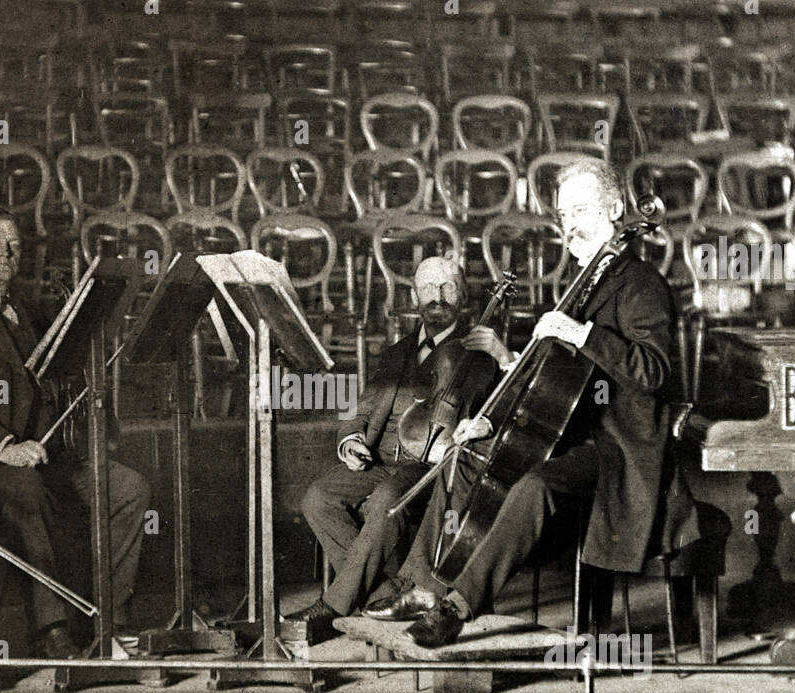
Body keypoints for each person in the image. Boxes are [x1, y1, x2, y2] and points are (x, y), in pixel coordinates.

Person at [376, 158, 701, 648]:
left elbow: (653, 371)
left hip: (620, 447)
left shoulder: (641, 284)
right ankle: (425, 585)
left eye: (582, 210)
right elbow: (547, 381)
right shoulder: (576, 286)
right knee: (464, 457)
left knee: (533, 488)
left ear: (615, 211)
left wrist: (582, 332)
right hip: (570, 431)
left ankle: (458, 606)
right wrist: (491, 423)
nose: (569, 225)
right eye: (564, 214)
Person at [0, 214, 150, 658]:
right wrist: (5, 447)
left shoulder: (26, 310)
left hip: (46, 453)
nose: (8, 254)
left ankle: (111, 617)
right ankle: (53, 631)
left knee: (128, 489)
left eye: (16, 246)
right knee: (26, 494)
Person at [288, 254, 505, 640]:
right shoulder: (396, 352)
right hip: (380, 458)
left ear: (464, 294)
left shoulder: (480, 354)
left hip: (428, 465)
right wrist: (352, 440)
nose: (436, 295)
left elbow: (503, 412)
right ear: (414, 296)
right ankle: (387, 595)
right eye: (427, 287)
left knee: (388, 499)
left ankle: (334, 604)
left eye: (447, 286)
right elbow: (360, 411)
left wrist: (502, 359)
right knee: (317, 497)